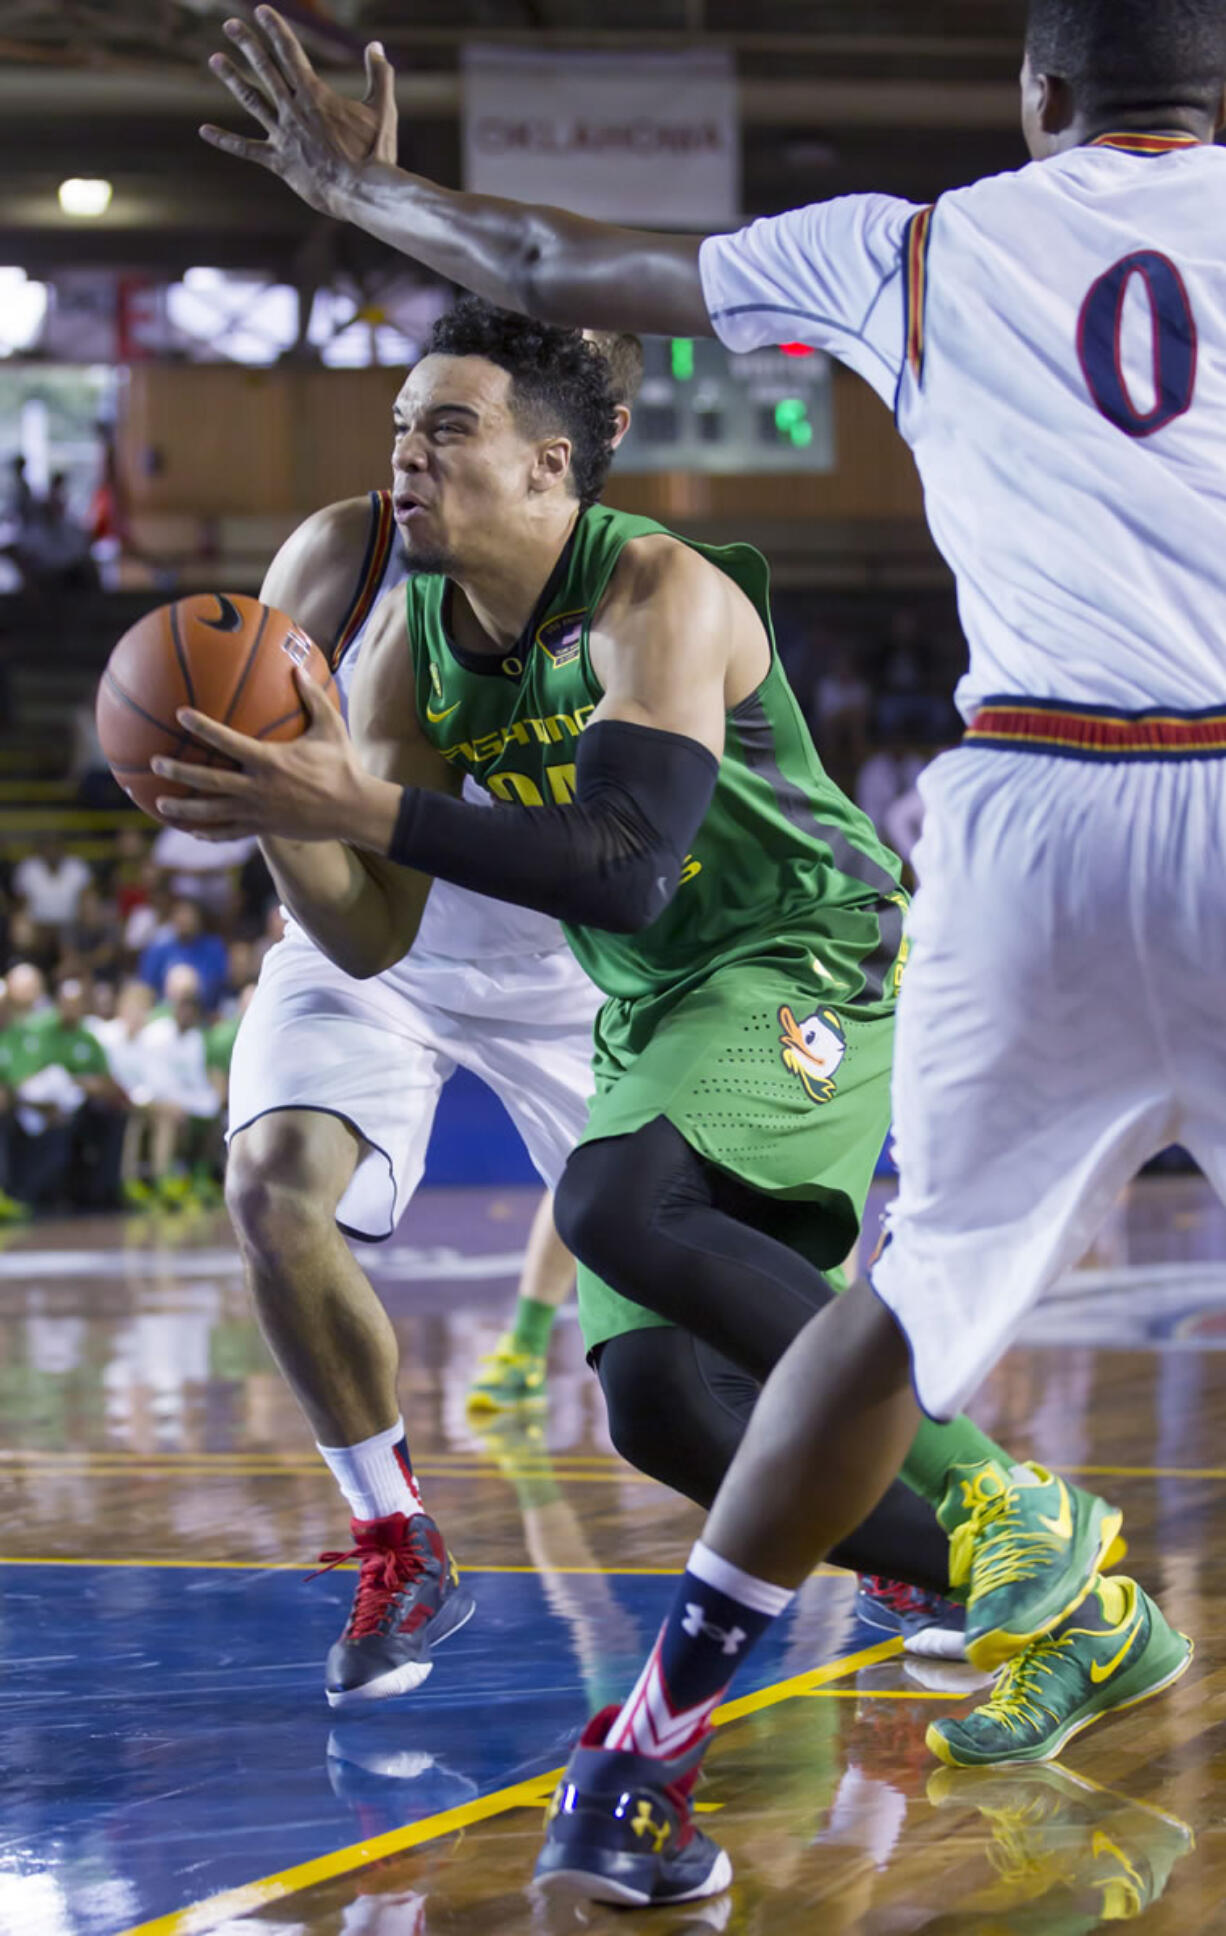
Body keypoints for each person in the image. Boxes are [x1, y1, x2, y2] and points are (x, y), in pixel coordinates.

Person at [152, 292, 1125, 1747]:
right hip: (605, 968)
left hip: (782, 946)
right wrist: (281, 804)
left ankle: (1004, 1500)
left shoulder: (656, 592)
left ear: (565, 458)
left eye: (450, 429)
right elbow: (364, 927)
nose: (409, 457)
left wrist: (343, 796)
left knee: (622, 1203)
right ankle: (1076, 1610)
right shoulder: (386, 596)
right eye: (400, 429)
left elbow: (620, 868)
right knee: (662, 1404)